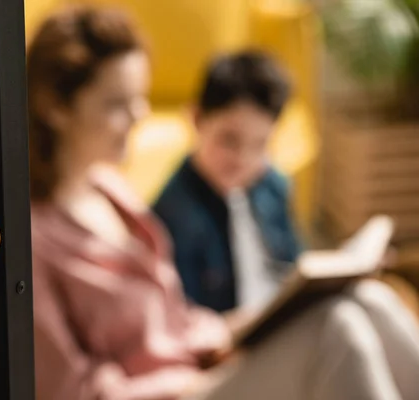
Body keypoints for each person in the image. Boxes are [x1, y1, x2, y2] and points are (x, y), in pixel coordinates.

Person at [28, 6, 419, 400]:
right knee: (336, 331)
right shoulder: (34, 237)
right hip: (171, 392)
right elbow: (70, 388)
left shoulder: (110, 188)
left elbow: (174, 321)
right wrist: (190, 381)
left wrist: (243, 327)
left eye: (139, 97)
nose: (140, 115)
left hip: (199, 362)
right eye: (116, 103)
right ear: (53, 106)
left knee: (364, 298)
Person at [153, 52, 301, 314]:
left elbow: (296, 264)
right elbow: (183, 322)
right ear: (197, 119)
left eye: (260, 145)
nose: (243, 160)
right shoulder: (172, 218)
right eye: (229, 140)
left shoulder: (271, 185)